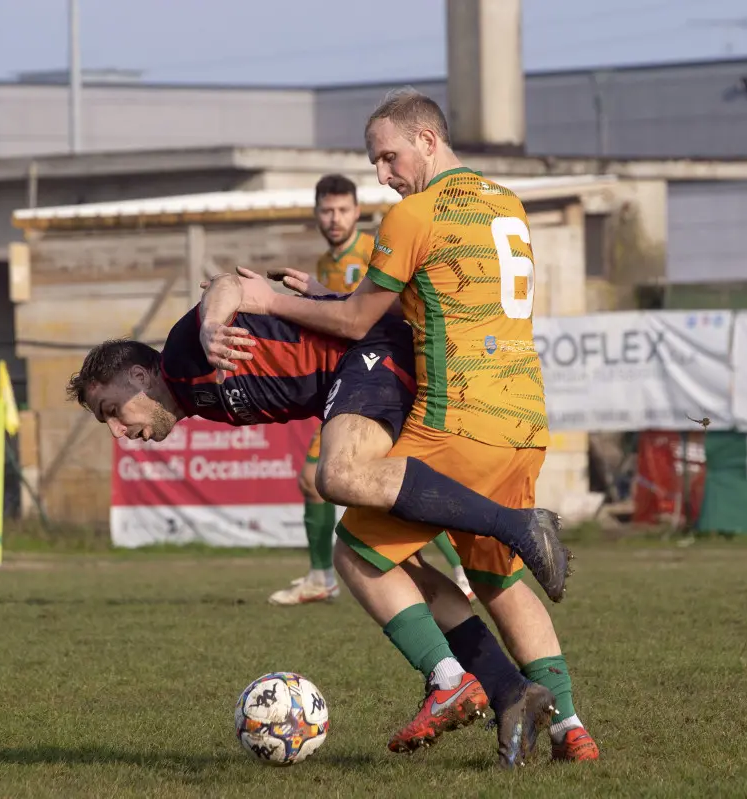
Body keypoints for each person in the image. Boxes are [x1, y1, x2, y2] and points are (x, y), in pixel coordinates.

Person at [67, 272, 576, 765]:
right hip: (376, 367)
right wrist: (326, 296)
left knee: (336, 475)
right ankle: (519, 697)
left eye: (112, 410)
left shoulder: (182, 354)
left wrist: (209, 325)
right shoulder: (195, 397)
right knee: (389, 561)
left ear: (138, 376)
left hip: (373, 359)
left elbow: (229, 283)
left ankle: (516, 534)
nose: (117, 431)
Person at [232, 88, 596, 762]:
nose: (383, 173)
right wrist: (326, 295)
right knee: (498, 576)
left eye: (388, 156)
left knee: (359, 551)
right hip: (524, 422)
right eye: (375, 162)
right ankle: (569, 726)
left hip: (456, 423)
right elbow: (433, 295)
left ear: (428, 141)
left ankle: (452, 679)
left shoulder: (413, 215)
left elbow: (354, 324)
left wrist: (268, 299)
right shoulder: (507, 205)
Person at [271, 174, 474, 607]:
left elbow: (378, 312)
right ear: (316, 214)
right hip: (350, 378)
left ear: (356, 212)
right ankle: (322, 575)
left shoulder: (374, 248)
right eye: (326, 210)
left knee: (381, 487)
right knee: (327, 483)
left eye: (342, 210)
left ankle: (459, 568)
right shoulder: (327, 263)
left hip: (378, 375)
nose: (334, 218)